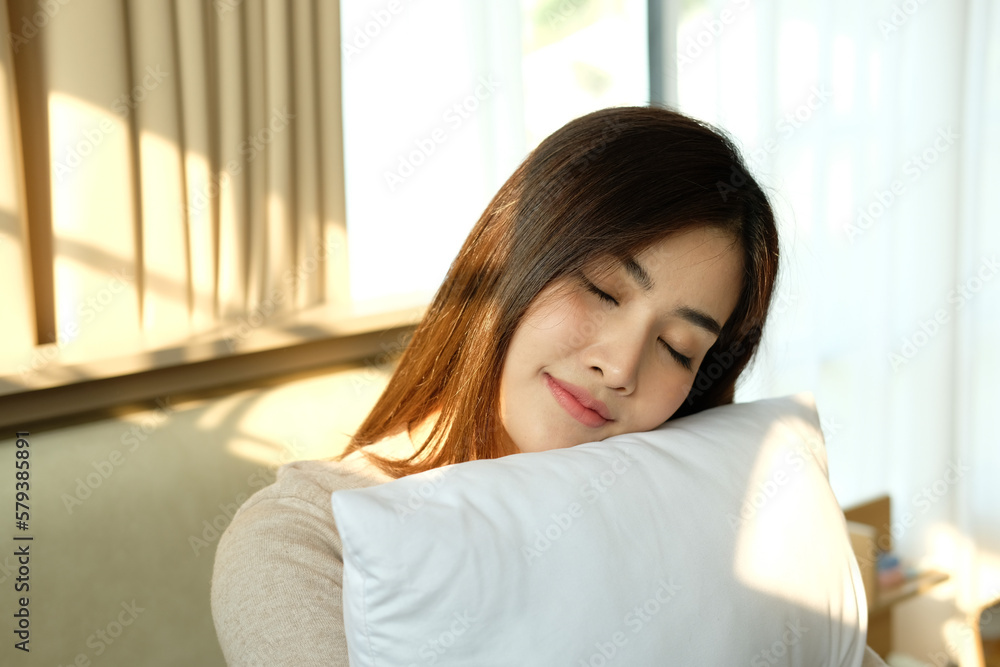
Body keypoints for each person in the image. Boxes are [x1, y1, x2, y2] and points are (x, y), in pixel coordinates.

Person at [211, 105, 780, 665]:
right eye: (602, 291)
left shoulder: (698, 520)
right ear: (508, 260)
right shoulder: (303, 542)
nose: (622, 367)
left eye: (677, 348)